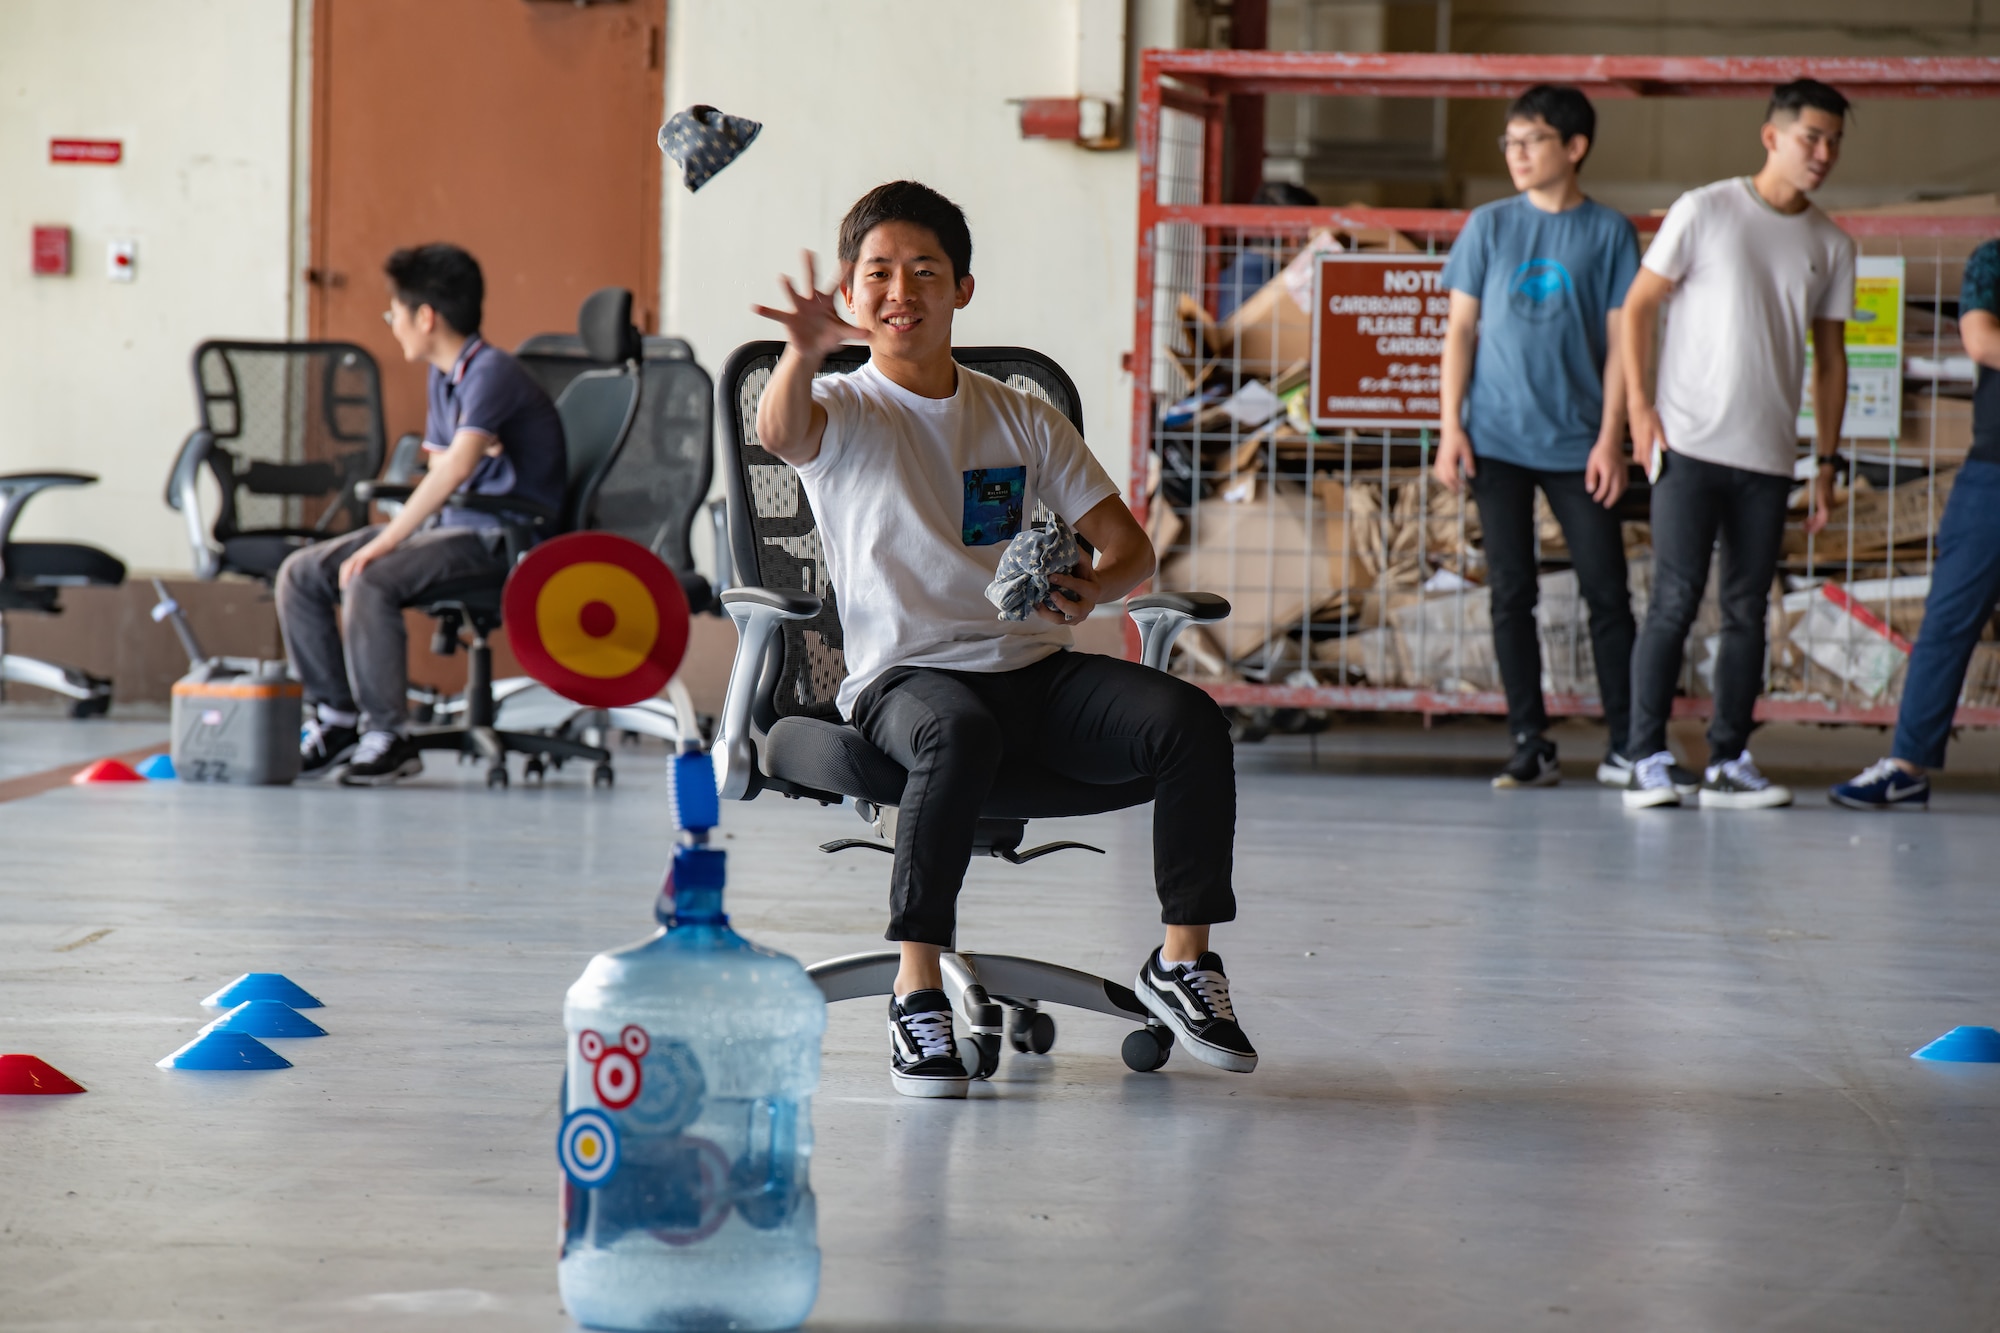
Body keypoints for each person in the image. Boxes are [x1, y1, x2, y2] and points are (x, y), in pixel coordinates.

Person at [751, 181, 1255, 1098]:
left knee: (1187, 718)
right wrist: (799, 350)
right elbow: (780, 432)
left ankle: (1182, 961)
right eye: (879, 273)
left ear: (963, 290)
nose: (902, 288)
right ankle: (915, 991)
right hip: (904, 683)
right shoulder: (843, 407)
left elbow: (1129, 544)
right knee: (960, 732)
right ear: (854, 298)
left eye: (925, 270)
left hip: (1031, 669)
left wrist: (1092, 587)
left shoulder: (1019, 414)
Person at [1619, 79, 1855, 810]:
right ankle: (1645, 757)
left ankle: (1729, 759)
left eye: (1834, 142)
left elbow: (1832, 359)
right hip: (1687, 443)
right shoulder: (1705, 208)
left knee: (1750, 609)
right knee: (1675, 600)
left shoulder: (1831, 242)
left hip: (1769, 456)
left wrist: (1826, 460)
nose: (1822, 153)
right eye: (1810, 136)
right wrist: (1639, 409)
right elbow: (1637, 306)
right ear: (1771, 136)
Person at [277, 243, 567, 786]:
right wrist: (463, 455)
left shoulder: (492, 371)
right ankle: (338, 720)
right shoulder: (444, 374)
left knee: (371, 574)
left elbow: (452, 469)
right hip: (452, 525)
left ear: (425, 316)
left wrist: (385, 540)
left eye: (395, 313)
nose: (393, 324)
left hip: (498, 538)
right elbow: (440, 459)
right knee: (302, 573)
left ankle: (391, 736)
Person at [1433, 84, 1644, 791]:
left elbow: (1623, 343)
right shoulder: (1488, 225)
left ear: (1574, 148)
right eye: (1509, 142)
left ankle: (1628, 742)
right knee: (1510, 593)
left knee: (1607, 591)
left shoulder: (1611, 231)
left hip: (1579, 443)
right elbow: (1460, 331)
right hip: (1494, 439)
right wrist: (1449, 428)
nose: (1516, 154)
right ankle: (1531, 739)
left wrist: (1611, 438)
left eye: (1532, 141)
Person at [1831, 238, 2000, 809]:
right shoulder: (1992, 260)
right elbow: (1982, 341)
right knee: (1949, 617)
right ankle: (1906, 765)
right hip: (1993, 472)